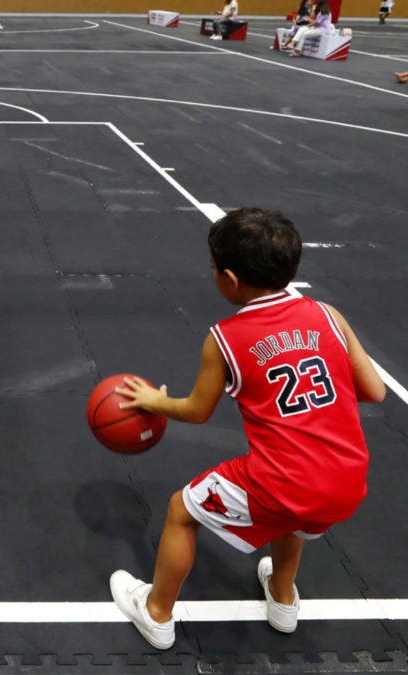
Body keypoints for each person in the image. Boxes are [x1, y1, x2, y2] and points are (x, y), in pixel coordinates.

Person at [107, 207, 386, 650]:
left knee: (182, 510)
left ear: (230, 281)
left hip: (284, 483)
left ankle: (156, 613)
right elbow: (374, 390)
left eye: (214, 269)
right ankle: (282, 597)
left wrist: (155, 401)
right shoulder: (329, 315)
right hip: (346, 481)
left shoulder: (225, 338)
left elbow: (198, 411)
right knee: (294, 518)